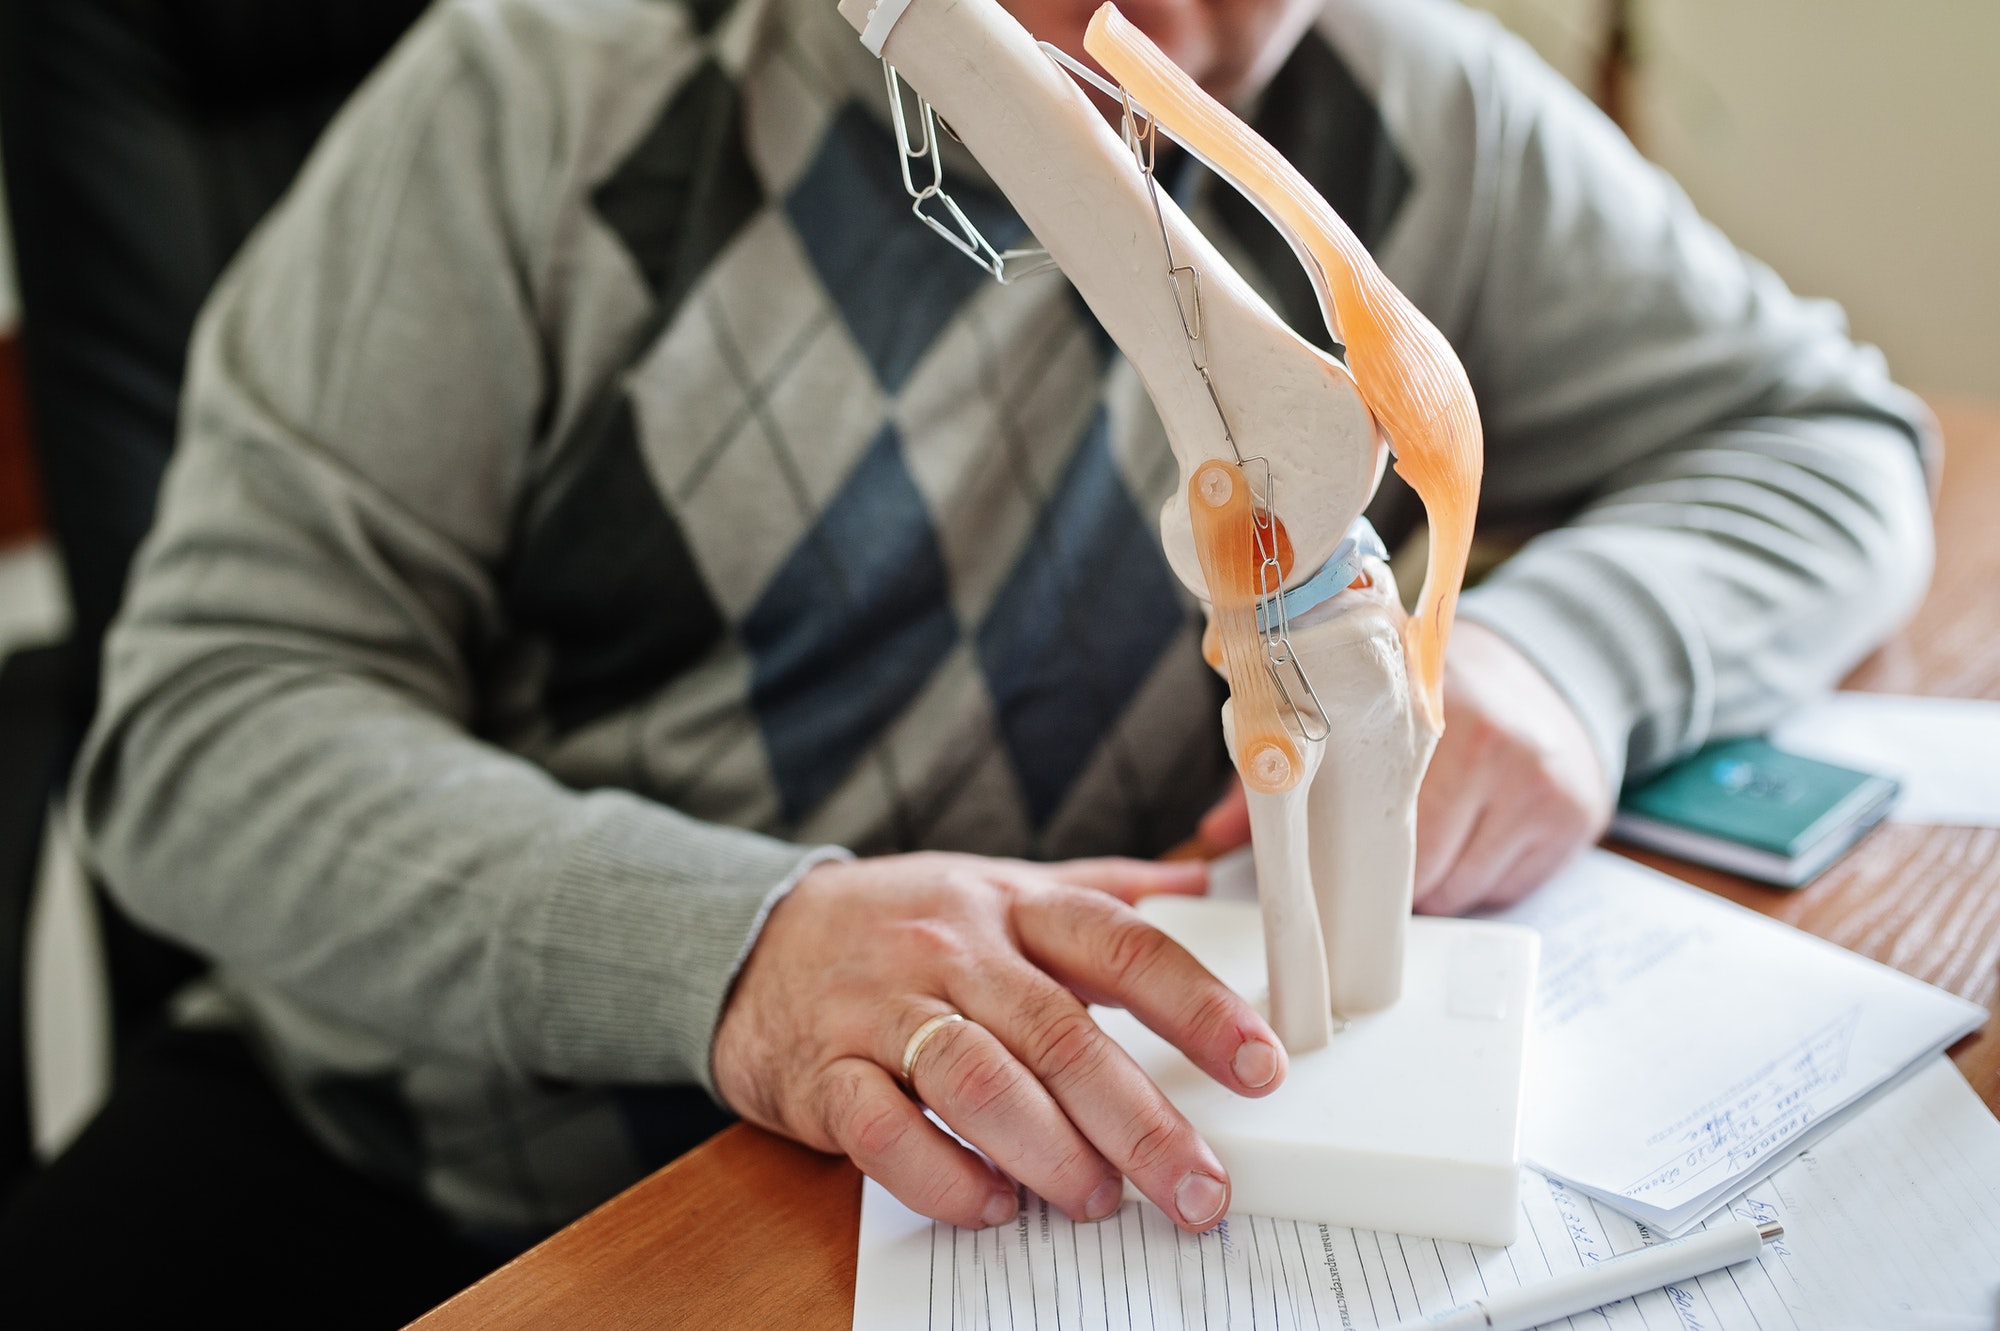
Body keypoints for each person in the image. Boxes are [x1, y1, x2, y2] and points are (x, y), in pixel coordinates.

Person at [1, 0, 1935, 1320]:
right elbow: (200, 723)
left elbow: (1834, 439)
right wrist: (744, 947)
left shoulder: (1386, 88)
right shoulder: (551, 88)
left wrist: (1557, 661)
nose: (1166, 35)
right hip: (490, 1167)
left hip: (1053, 1189)